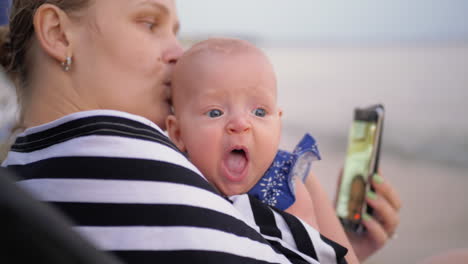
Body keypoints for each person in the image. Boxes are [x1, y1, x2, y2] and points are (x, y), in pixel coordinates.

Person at [0, 0, 350, 263]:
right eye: (150, 23)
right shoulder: (130, 160)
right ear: (58, 34)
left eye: (175, 32)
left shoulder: (21, 176)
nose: (178, 53)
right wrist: (302, 185)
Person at [166, 38, 401, 262]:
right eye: (215, 112)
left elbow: (344, 258)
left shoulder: (291, 178)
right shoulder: (177, 186)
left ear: (278, 122)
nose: (240, 124)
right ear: (178, 134)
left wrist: (354, 246)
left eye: (259, 112)